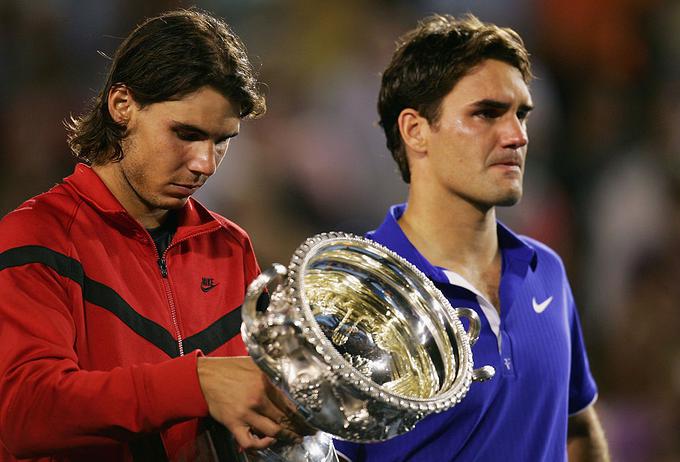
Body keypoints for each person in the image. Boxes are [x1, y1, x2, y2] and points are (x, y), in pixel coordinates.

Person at [0, 9, 311, 462]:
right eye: (186, 133)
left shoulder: (229, 247)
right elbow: (24, 412)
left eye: (222, 140)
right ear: (121, 104)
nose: (205, 162)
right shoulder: (34, 237)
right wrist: (197, 383)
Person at [334, 14, 610, 462]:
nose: (517, 135)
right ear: (415, 130)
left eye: (521, 114)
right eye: (486, 113)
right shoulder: (355, 297)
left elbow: (576, 425)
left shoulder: (548, 273)